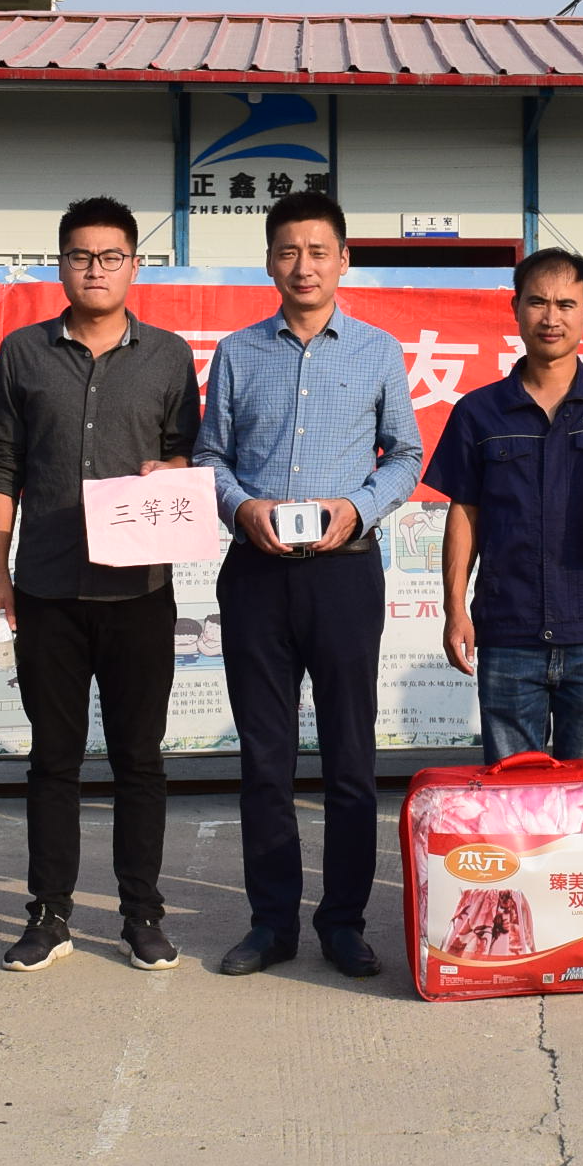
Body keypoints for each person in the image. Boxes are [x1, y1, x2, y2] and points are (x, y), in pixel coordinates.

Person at [192, 190, 424, 978]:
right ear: (269, 261)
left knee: (350, 759)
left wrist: (355, 508)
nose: (304, 266)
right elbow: (209, 456)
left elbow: (405, 455)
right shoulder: (237, 352)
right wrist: (241, 507)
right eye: (288, 251)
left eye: (319, 251)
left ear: (344, 260)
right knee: (265, 760)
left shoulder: (377, 351)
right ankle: (271, 924)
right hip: (256, 576)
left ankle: (344, 922)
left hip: (344, 574)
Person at [0, 197, 201, 973]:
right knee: (54, 760)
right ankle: (49, 914)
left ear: (134, 265)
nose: (96, 269)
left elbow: (190, 454)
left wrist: (168, 469)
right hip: (47, 588)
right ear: (61, 265)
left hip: (139, 591)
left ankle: (142, 914)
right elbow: (2, 466)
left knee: (140, 760)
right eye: (81, 256)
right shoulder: (23, 353)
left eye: (111, 256)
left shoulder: (169, 356)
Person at [429, 248, 583, 761]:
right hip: (508, 629)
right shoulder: (478, 412)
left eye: (566, 304)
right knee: (513, 792)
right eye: (537, 302)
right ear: (515, 308)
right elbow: (464, 514)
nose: (551, 318)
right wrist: (455, 608)